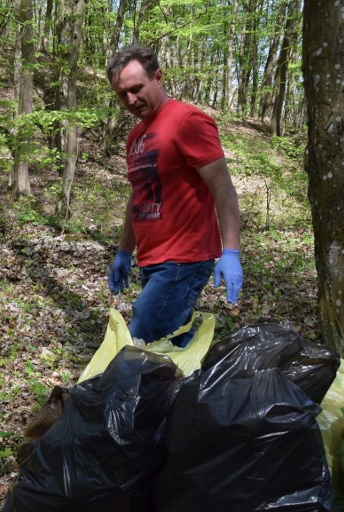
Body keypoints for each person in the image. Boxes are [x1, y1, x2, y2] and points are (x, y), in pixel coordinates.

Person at [105, 44, 243, 347]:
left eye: (137, 88)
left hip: (184, 258)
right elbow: (137, 196)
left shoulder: (188, 121)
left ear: (158, 77)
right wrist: (125, 252)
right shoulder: (135, 137)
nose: (130, 99)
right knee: (173, 344)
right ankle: (206, 389)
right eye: (121, 94)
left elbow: (222, 187)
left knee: (142, 338)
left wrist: (230, 251)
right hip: (152, 258)